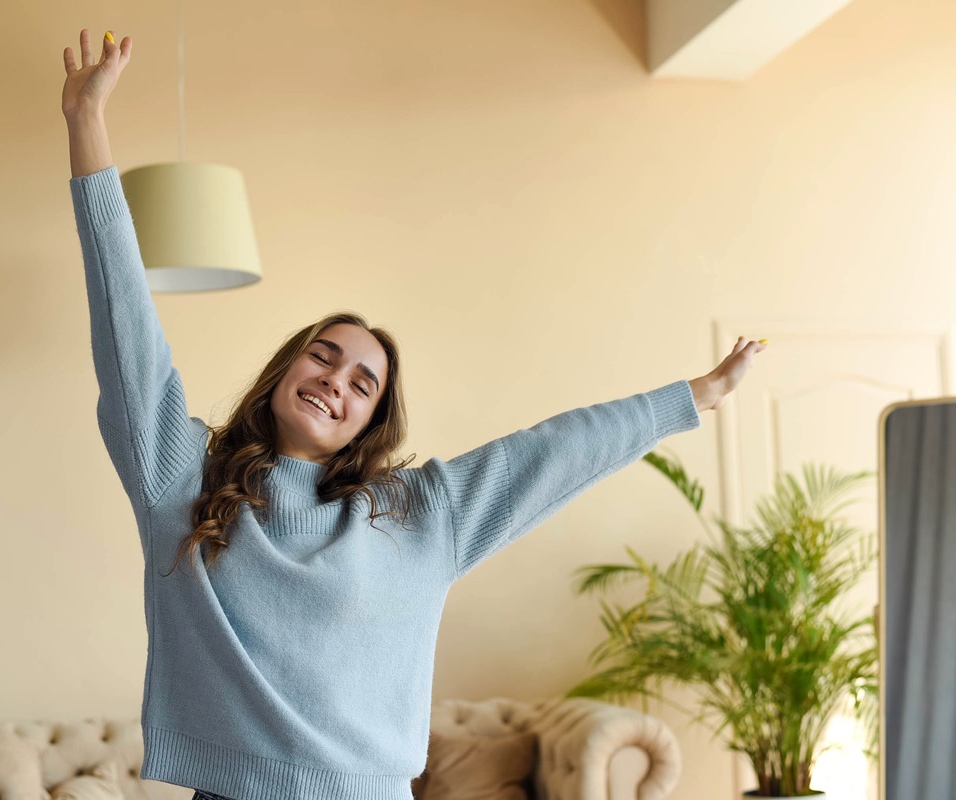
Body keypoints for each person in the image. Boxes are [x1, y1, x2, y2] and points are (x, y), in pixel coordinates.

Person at [62, 28, 767, 800]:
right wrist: (86, 122)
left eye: (364, 384)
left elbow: (554, 450)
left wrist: (690, 397)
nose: (337, 381)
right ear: (281, 373)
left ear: (371, 423)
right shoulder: (181, 476)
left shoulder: (415, 515)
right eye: (324, 356)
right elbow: (126, 325)